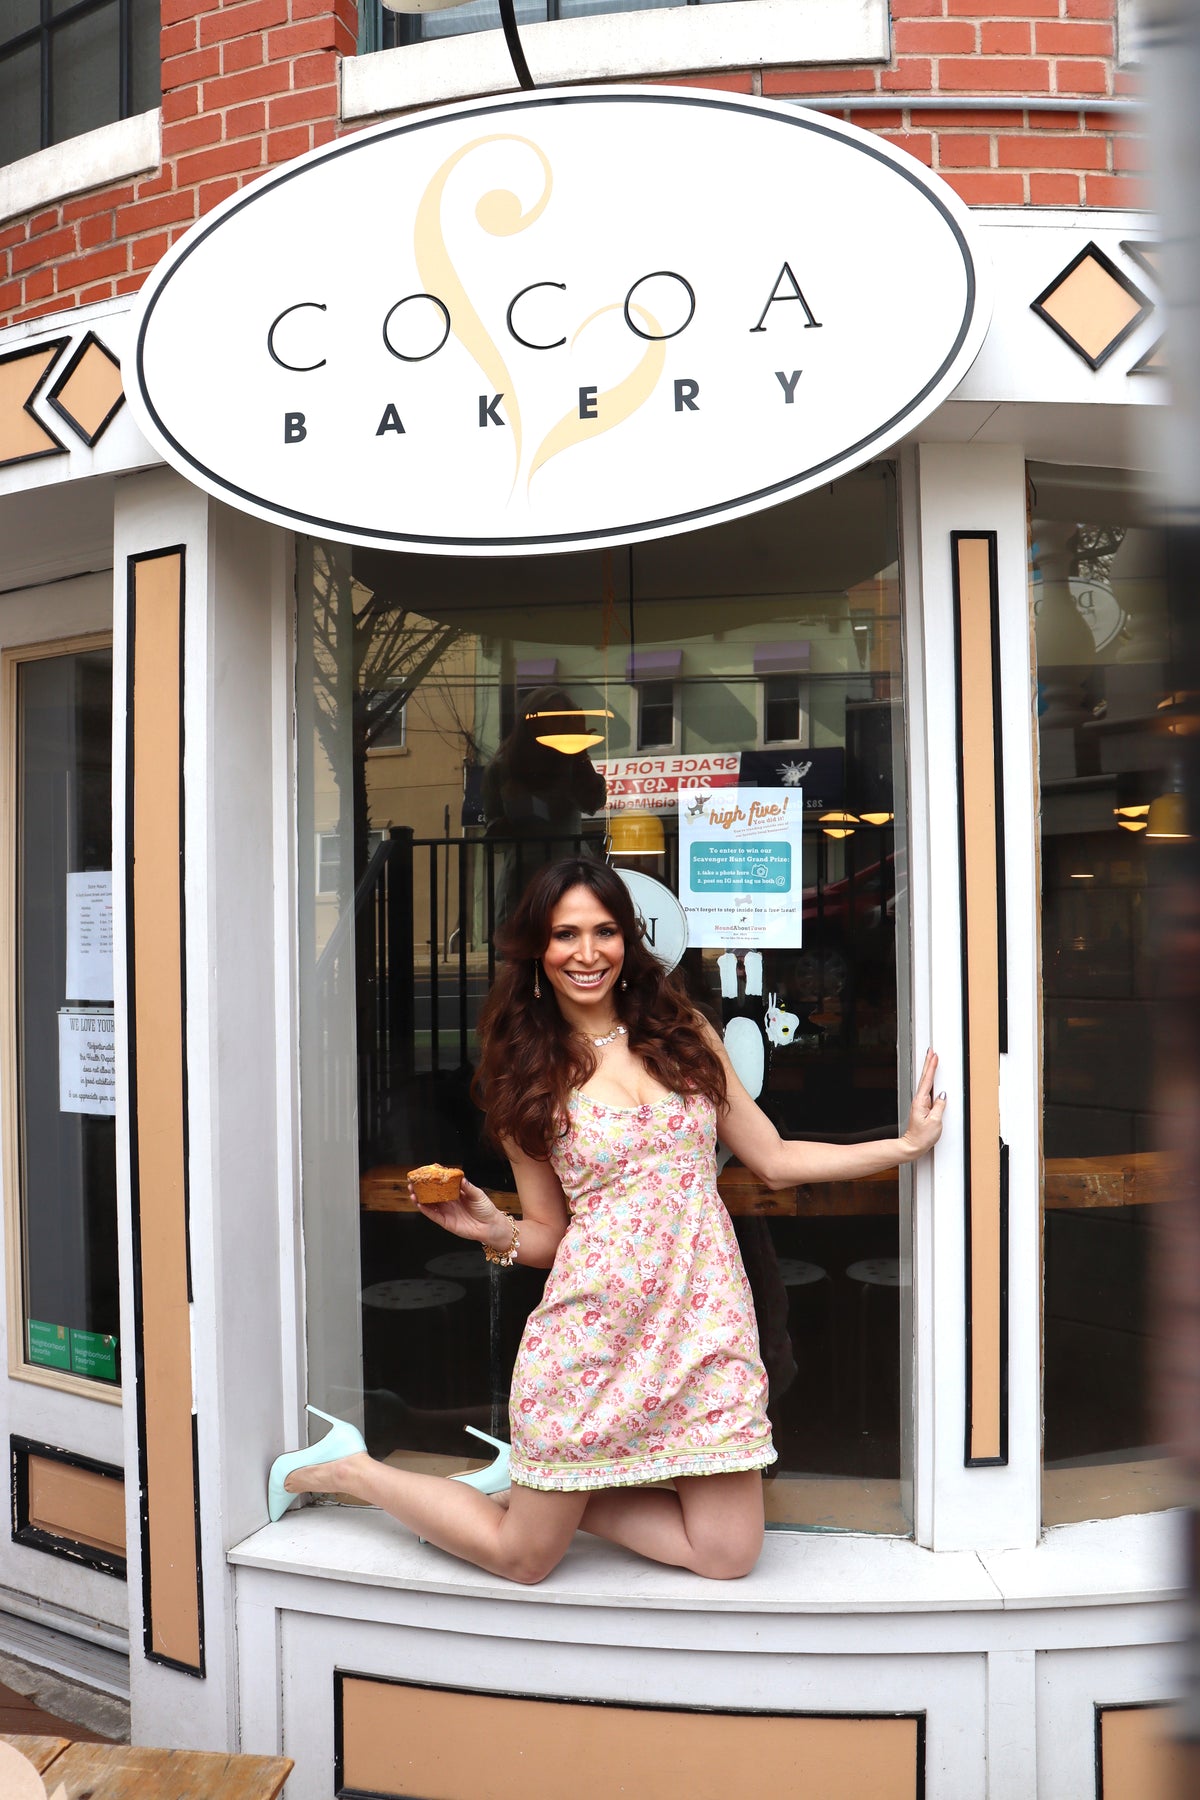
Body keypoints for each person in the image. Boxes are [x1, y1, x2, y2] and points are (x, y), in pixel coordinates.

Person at [270, 858, 946, 1584]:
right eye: (565, 934)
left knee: (728, 1554)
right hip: (591, 1333)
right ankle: (353, 1470)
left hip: (702, 1324)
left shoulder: (683, 1034)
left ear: (629, 942)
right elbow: (548, 1236)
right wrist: (491, 1231)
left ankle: (543, 1484)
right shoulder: (524, 1076)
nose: (587, 953)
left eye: (604, 931)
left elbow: (774, 1158)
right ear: (537, 949)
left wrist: (903, 1146)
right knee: (523, 1558)